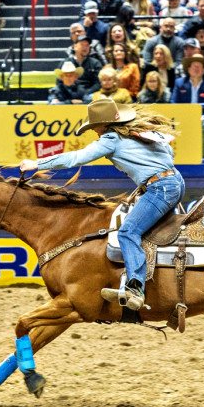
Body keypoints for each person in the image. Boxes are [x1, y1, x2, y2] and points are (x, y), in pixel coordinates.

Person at [19, 100, 184, 313]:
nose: (94, 132)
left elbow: (77, 158)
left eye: (94, 127)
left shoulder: (111, 139)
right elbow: (169, 155)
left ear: (103, 125)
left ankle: (135, 288)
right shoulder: (141, 134)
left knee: (127, 232)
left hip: (160, 188)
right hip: (174, 182)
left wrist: (38, 164)